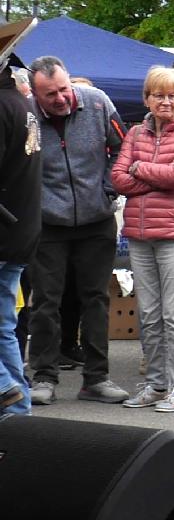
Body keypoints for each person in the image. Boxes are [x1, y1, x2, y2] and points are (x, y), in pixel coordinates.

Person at [26, 56, 130, 406]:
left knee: (96, 299)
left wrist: (108, 187)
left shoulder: (99, 102)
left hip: (96, 219)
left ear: (71, 83)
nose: (59, 98)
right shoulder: (26, 115)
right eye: (50, 94)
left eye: (63, 89)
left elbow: (122, 149)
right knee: (45, 302)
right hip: (47, 224)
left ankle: (97, 378)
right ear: (36, 95)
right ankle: (43, 376)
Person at [112, 67, 174, 412]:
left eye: (172, 95)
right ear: (147, 98)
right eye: (158, 95)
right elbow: (118, 178)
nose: (166, 101)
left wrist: (141, 170)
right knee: (149, 314)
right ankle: (157, 383)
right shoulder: (135, 133)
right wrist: (158, 179)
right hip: (140, 233)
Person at [0, 52, 39, 415]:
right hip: (20, 231)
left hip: (5, 229)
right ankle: (18, 413)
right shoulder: (20, 102)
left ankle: (5, 387)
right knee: (3, 329)